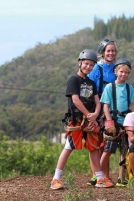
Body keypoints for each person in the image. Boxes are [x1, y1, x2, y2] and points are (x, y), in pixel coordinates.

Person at [50, 49, 101, 190]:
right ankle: (55, 178)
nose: (88, 67)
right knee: (69, 146)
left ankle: (101, 178)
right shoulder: (74, 80)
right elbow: (75, 100)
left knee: (93, 147)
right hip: (77, 119)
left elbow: (97, 101)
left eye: (91, 65)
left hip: (90, 120)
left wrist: (95, 114)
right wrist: (88, 114)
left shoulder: (91, 82)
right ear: (80, 63)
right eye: (86, 64)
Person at [97, 58, 134, 188]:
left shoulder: (129, 88)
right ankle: (99, 176)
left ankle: (121, 177)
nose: (123, 74)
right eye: (121, 72)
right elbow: (106, 106)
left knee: (124, 151)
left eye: (126, 72)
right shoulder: (109, 87)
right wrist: (109, 122)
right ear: (116, 72)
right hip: (112, 122)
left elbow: (133, 105)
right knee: (107, 149)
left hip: (125, 122)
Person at [86, 39, 118, 186]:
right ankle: (96, 175)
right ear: (103, 53)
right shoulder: (96, 69)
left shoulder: (117, 68)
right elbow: (90, 90)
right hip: (97, 109)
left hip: (111, 110)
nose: (111, 53)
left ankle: (105, 176)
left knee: (107, 144)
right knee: (96, 143)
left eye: (113, 51)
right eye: (108, 51)